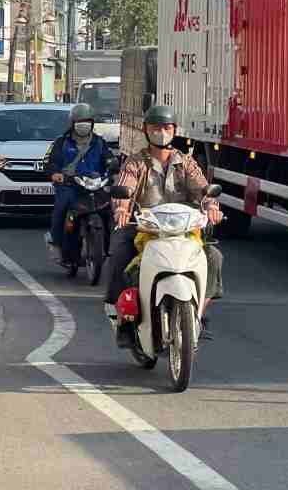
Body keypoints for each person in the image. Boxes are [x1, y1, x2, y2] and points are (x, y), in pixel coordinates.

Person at [104, 105, 223, 346]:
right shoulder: (136, 162)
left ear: (174, 130)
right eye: (155, 127)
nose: (161, 132)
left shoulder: (186, 162)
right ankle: (124, 320)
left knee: (213, 257)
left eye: (166, 127)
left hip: (184, 230)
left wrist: (212, 206)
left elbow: (203, 189)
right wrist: (122, 209)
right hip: (145, 229)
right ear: (146, 130)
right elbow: (125, 188)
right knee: (120, 255)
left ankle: (199, 314)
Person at [43, 104, 109, 266]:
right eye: (80, 122)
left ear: (92, 123)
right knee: (61, 208)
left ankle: (108, 249)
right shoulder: (61, 142)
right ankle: (57, 242)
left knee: (109, 211)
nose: (83, 125)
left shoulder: (99, 142)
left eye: (87, 121)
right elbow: (50, 162)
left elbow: (109, 160)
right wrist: (55, 173)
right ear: (72, 123)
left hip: (94, 185)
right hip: (69, 185)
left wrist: (112, 169)